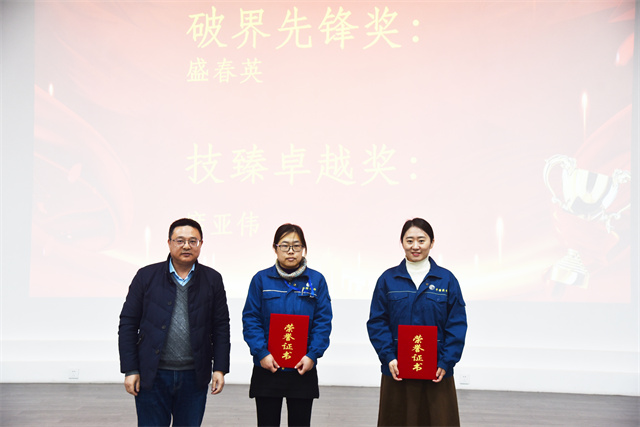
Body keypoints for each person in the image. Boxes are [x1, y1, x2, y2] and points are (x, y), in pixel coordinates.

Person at [118, 218, 231, 427]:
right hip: (153, 374)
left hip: (194, 375)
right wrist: (131, 369)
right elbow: (128, 324)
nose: (186, 246)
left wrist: (220, 368)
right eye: (180, 240)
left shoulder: (212, 279)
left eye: (193, 241)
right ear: (169, 243)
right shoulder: (146, 276)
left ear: (201, 244)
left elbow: (221, 327)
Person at [367, 218, 467, 426]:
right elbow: (377, 322)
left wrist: (446, 361)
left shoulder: (446, 280)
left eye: (421, 240)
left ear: (432, 242)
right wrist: (389, 357)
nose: (415, 246)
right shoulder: (388, 279)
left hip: (437, 371)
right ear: (401, 242)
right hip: (397, 370)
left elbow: (456, 324)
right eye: (409, 240)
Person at [242, 223, 332, 427]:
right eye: (284, 245)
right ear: (275, 248)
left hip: (302, 367)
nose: (291, 251)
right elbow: (251, 319)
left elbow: (323, 322)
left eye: (296, 246)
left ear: (304, 248)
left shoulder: (316, 280)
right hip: (267, 366)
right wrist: (262, 353)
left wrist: (312, 355)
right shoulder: (261, 279)